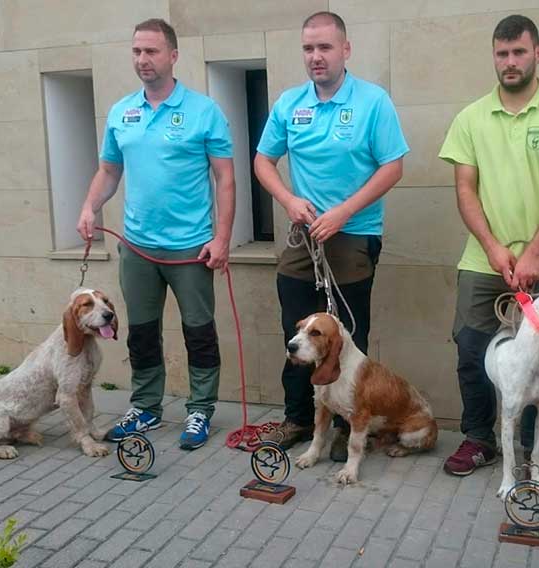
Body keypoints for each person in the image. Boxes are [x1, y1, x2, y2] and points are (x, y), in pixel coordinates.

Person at [438, 15, 539, 477]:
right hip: (481, 261)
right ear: (494, 57)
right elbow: (465, 189)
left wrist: (532, 252)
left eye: (519, 52)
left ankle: (537, 448)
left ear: (538, 53)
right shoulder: (470, 118)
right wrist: (491, 246)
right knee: (471, 350)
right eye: (502, 54)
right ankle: (477, 440)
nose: (510, 62)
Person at [254, 11, 409, 459]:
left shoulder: (373, 101)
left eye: (325, 47)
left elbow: (393, 167)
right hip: (304, 239)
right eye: (308, 48)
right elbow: (263, 162)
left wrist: (343, 211)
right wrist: (287, 200)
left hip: (353, 234)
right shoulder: (289, 103)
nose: (316, 56)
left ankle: (345, 426)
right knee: (296, 331)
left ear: (345, 49)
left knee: (345, 336)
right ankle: (299, 419)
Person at [77, 18, 235, 451]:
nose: (142, 60)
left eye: (151, 51)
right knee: (142, 332)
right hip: (138, 247)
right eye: (136, 52)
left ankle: (200, 410)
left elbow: (225, 179)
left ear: (173, 55)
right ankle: (145, 407)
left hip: (191, 247)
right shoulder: (121, 112)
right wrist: (90, 206)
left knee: (198, 331)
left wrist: (221, 239)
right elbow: (110, 170)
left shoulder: (204, 111)